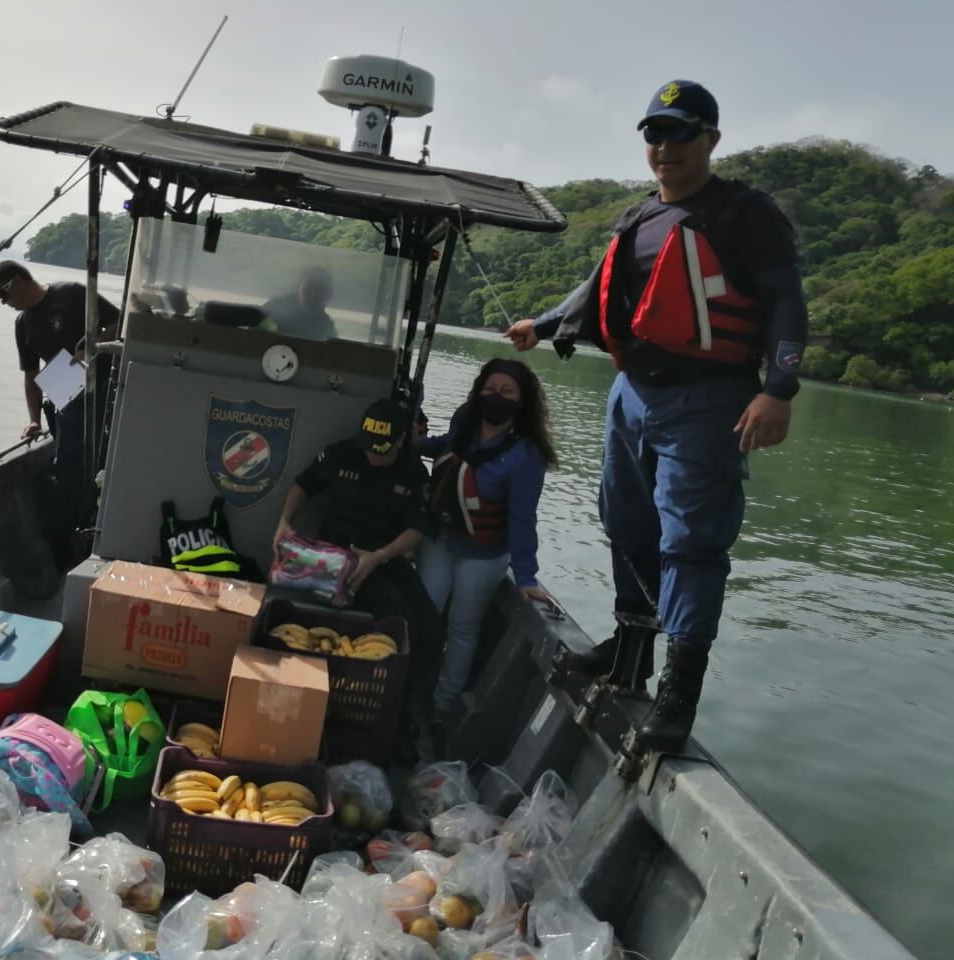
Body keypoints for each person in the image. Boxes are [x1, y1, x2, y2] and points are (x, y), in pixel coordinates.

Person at [504, 80, 808, 753]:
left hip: (710, 400)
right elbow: (599, 290)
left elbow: (787, 300)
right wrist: (543, 322)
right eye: (654, 133)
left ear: (711, 140)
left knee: (691, 544)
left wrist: (780, 386)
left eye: (679, 133)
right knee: (625, 522)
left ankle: (677, 697)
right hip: (632, 393)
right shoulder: (639, 218)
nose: (664, 147)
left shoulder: (744, 213)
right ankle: (630, 651)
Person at [272, 398, 443, 705]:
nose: (372, 456)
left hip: (384, 556)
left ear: (401, 440)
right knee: (404, 622)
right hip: (339, 561)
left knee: (430, 626)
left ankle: (414, 705)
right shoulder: (340, 454)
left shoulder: (413, 473)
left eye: (381, 450)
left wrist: (379, 556)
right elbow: (303, 485)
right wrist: (285, 521)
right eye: (368, 446)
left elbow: (417, 529)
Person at [416, 358, 557, 722]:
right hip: (442, 538)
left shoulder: (526, 456)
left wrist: (526, 577)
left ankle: (441, 704)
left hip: (484, 552)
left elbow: (523, 519)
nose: (497, 397)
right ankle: (409, 685)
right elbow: (441, 447)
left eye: (507, 392)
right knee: (424, 611)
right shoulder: (463, 425)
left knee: (463, 626)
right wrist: (404, 442)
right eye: (490, 390)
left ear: (522, 401)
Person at [0, 261, 120, 564]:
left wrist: (93, 345)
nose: (3, 302)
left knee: (102, 463)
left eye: (2, 295)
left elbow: (117, 321)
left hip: (103, 388)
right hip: (66, 397)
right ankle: (68, 547)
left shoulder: (71, 294)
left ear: (18, 282)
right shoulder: (23, 325)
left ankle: (103, 531)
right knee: (67, 469)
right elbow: (30, 375)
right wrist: (34, 419)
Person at [261, 266, 338, 340]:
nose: (312, 294)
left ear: (328, 295)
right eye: (309, 288)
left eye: (319, 290)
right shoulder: (274, 307)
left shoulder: (326, 327)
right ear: (298, 288)